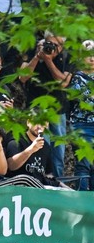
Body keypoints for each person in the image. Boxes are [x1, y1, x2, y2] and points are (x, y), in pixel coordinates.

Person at [19, 31, 72, 178]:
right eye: (50, 43)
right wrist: (37, 57)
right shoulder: (34, 49)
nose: (52, 47)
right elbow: (22, 77)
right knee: (41, 145)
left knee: (58, 151)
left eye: (57, 45)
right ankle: (39, 179)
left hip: (58, 109)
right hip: (36, 108)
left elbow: (63, 83)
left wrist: (48, 61)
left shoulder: (67, 56)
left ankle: (58, 181)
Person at [65, 41, 94, 191]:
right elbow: (85, 102)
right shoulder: (77, 77)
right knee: (83, 164)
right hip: (82, 126)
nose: (92, 59)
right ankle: (82, 198)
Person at [3, 120, 56, 186]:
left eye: (42, 123)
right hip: (19, 186)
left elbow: (48, 174)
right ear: (28, 123)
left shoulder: (46, 146)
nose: (39, 126)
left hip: (39, 187)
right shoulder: (17, 140)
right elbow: (11, 166)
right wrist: (31, 149)